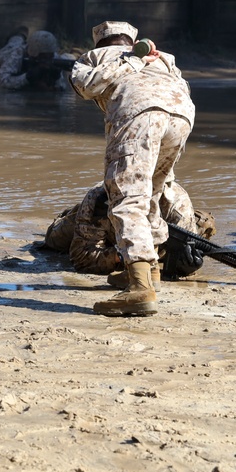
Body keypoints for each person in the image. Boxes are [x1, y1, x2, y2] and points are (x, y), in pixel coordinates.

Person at [69, 21, 195, 317]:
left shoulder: (96, 56)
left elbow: (86, 87)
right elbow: (183, 86)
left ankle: (139, 289)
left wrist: (130, 62)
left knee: (126, 197)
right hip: (182, 115)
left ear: (100, 42)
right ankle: (149, 271)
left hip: (139, 113)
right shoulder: (163, 56)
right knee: (152, 191)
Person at [42, 181, 216, 283]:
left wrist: (185, 265)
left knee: (201, 229)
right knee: (54, 239)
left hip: (164, 233)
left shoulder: (176, 205)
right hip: (104, 230)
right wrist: (122, 254)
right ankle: (74, 213)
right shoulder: (100, 198)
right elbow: (81, 258)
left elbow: (182, 256)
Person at [0, 29, 75, 91]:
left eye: (49, 56)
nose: (47, 60)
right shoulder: (18, 54)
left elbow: (61, 88)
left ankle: (75, 54)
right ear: (34, 54)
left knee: (65, 58)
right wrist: (27, 77)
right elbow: (3, 81)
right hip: (11, 50)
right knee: (11, 46)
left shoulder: (54, 58)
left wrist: (55, 78)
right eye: (43, 57)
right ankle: (20, 34)